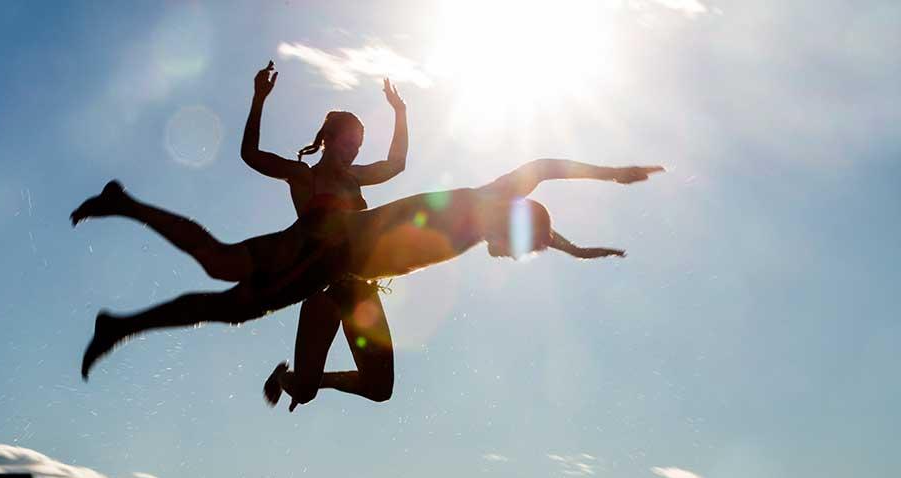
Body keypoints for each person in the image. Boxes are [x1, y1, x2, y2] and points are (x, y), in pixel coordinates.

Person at [71, 160, 663, 381]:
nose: (509, 258)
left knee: (225, 283)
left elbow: (539, 224)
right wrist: (615, 174)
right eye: (521, 248)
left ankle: (120, 304)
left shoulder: (489, 221)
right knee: (226, 278)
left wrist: (575, 249)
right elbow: (546, 165)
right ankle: (121, 272)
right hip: (329, 248)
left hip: (337, 263)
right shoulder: (485, 202)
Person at [237, 61, 407, 411]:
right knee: (303, 392)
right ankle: (288, 378)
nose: (354, 151)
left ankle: (314, 379)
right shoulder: (304, 177)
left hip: (360, 287)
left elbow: (396, 163)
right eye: (348, 143)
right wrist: (258, 98)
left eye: (359, 145)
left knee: (379, 387)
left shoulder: (355, 177)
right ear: (327, 140)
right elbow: (250, 155)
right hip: (323, 287)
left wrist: (400, 111)